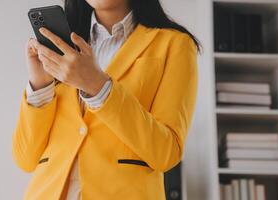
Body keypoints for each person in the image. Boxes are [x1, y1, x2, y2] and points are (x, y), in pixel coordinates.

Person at [12, 0, 200, 199]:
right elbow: (26, 159)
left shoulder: (174, 44)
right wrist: (40, 86)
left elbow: (166, 154)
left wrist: (99, 87)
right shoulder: (64, 46)